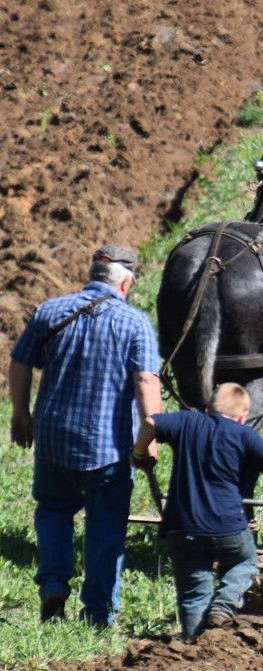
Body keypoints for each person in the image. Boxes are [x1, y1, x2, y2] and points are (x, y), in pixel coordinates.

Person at [8, 245, 162, 626]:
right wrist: (151, 436)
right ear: (127, 282)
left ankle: (54, 585)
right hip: (107, 447)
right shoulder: (135, 323)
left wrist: (19, 413)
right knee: (105, 525)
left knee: (55, 510)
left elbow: (20, 362)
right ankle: (98, 612)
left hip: (53, 439)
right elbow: (145, 380)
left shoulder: (51, 311)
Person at [133, 382, 263, 638]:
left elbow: (151, 422)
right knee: (245, 562)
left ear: (208, 407)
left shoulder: (187, 422)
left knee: (193, 591)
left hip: (182, 527)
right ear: (243, 416)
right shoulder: (242, 434)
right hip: (227, 526)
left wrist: (139, 452)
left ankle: (193, 643)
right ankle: (223, 606)